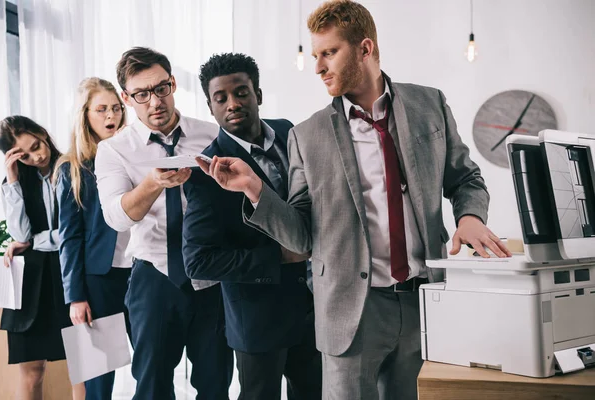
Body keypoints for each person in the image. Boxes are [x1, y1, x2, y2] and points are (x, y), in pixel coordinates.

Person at [196, 1, 512, 399]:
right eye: (315, 55)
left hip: (425, 304)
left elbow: (466, 177)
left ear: (365, 48)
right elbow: (300, 236)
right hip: (351, 314)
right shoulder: (306, 135)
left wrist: (470, 217)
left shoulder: (429, 104)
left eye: (329, 52)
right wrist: (254, 189)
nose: (318, 67)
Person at [94, 47, 232, 399]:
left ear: (172, 84)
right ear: (127, 98)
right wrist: (153, 183)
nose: (154, 101)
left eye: (160, 88)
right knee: (152, 383)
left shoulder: (213, 135)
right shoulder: (114, 150)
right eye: (141, 94)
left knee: (215, 382)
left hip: (212, 276)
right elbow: (116, 217)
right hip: (153, 278)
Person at [183, 53, 322, 400]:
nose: (233, 103)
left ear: (258, 94)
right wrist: (277, 257)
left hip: (317, 308)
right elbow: (198, 261)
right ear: (210, 107)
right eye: (221, 98)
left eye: (241, 92)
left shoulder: (291, 133)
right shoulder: (207, 175)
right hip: (258, 320)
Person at [54, 77, 132, 400]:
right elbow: (69, 238)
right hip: (99, 281)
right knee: (99, 381)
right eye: (101, 109)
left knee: (153, 365)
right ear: (85, 115)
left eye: (116, 107)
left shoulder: (136, 155)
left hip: (142, 273)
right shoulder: (71, 169)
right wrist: (75, 296)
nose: (111, 115)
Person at [0, 116, 81, 400]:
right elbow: (21, 234)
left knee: (84, 368)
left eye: (36, 146)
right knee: (31, 371)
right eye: (26, 155)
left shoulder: (75, 167)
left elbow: (77, 231)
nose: (36, 156)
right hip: (33, 283)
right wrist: (12, 179)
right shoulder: (17, 181)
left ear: (43, 133)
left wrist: (36, 241)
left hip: (73, 273)